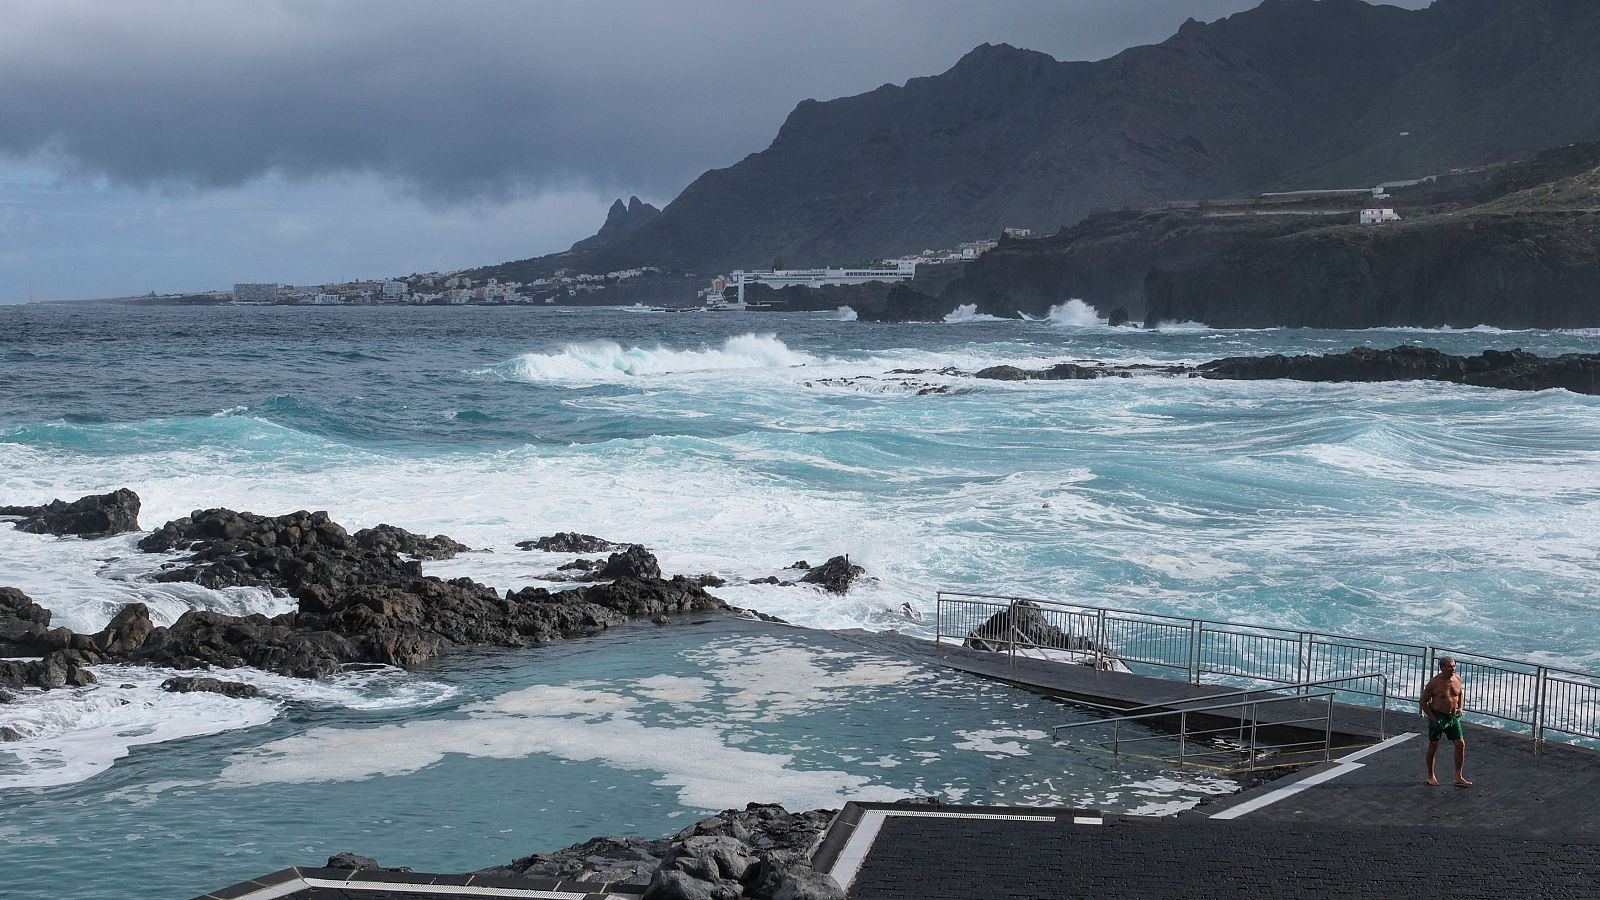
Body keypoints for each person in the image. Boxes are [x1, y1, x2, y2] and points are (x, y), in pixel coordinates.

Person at [1420, 656, 1471, 786]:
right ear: (1442, 668)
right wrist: (1432, 718)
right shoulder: (1434, 683)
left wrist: (1461, 708)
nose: (1453, 668)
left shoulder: (1457, 679)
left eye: (1454, 666)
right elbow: (1423, 702)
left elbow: (1459, 695)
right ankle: (1431, 776)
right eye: (1450, 666)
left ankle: (1458, 776)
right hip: (1438, 716)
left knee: (1460, 744)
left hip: (1452, 716)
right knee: (1433, 745)